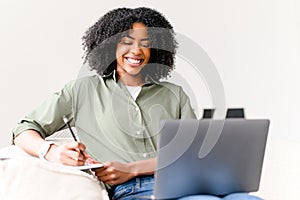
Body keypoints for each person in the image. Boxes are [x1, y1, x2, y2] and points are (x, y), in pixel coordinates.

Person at [12, 7, 262, 200]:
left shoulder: (174, 95)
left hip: (186, 182)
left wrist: (132, 167)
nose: (137, 50)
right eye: (127, 42)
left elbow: (191, 157)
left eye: (145, 43)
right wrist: (52, 151)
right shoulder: (82, 90)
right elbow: (23, 130)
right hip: (134, 191)